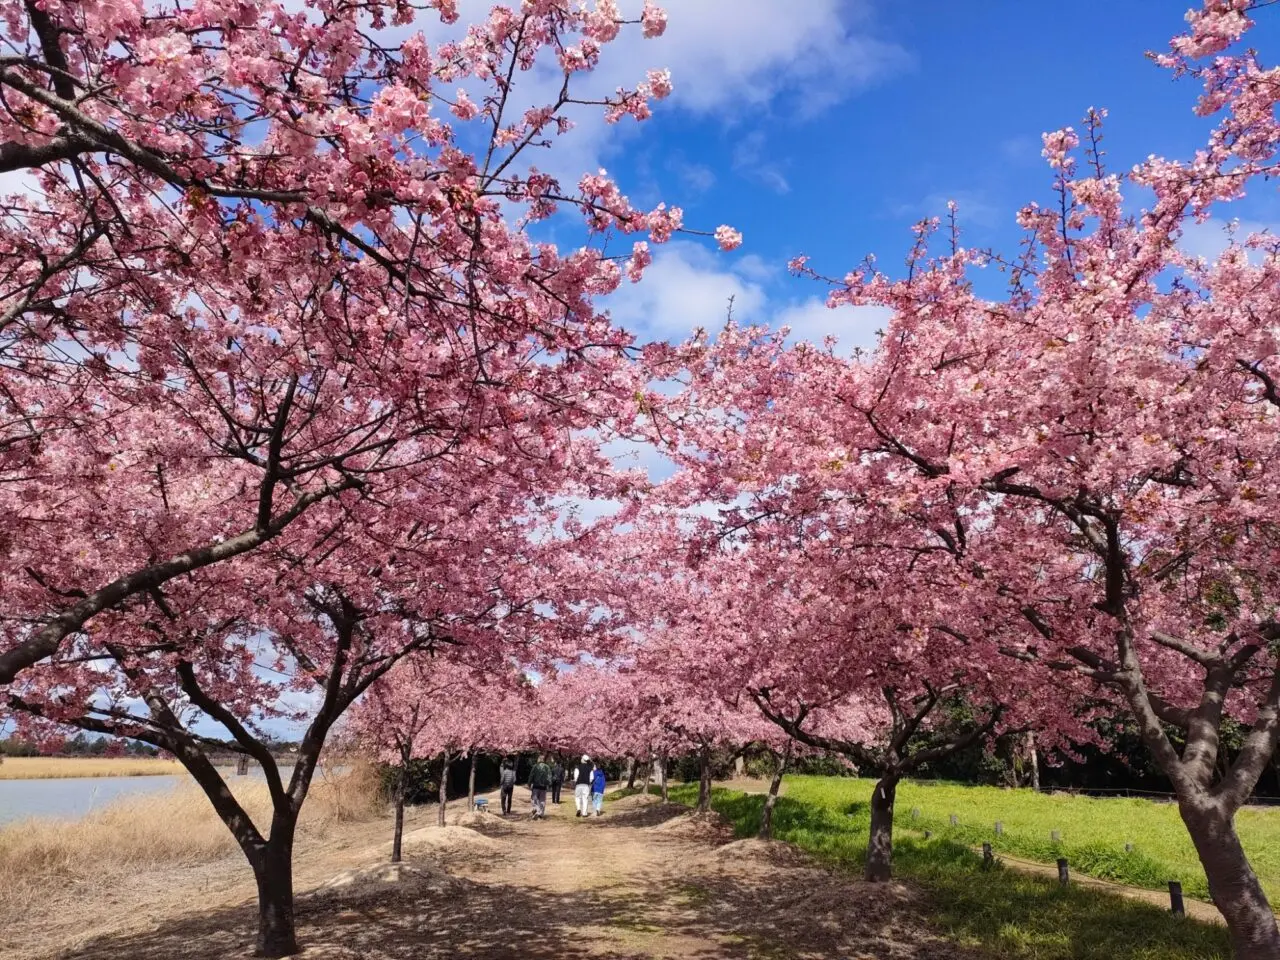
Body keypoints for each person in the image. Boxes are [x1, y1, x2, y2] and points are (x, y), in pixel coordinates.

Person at [528, 754, 552, 819]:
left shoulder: (535, 766)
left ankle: (536, 809)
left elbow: (531, 775)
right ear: (543, 760)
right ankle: (541, 814)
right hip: (543, 787)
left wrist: (529, 783)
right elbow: (549, 777)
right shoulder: (547, 767)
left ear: (539, 759)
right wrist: (549, 784)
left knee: (534, 800)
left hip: (536, 786)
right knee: (542, 800)